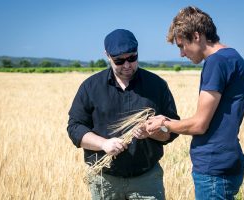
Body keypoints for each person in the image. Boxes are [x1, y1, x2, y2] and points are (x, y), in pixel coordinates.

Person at [146, 6, 244, 200]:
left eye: (181, 45)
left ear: (196, 36)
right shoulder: (234, 58)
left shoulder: (216, 62)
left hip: (214, 168)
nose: (181, 54)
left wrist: (164, 124)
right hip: (229, 161)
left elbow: (199, 125)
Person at [67, 29, 179, 200]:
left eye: (132, 58)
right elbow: (75, 128)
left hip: (147, 180)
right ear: (107, 55)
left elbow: (172, 130)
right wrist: (103, 144)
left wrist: (154, 133)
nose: (127, 65)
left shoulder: (157, 86)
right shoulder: (90, 87)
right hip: (105, 179)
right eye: (119, 60)